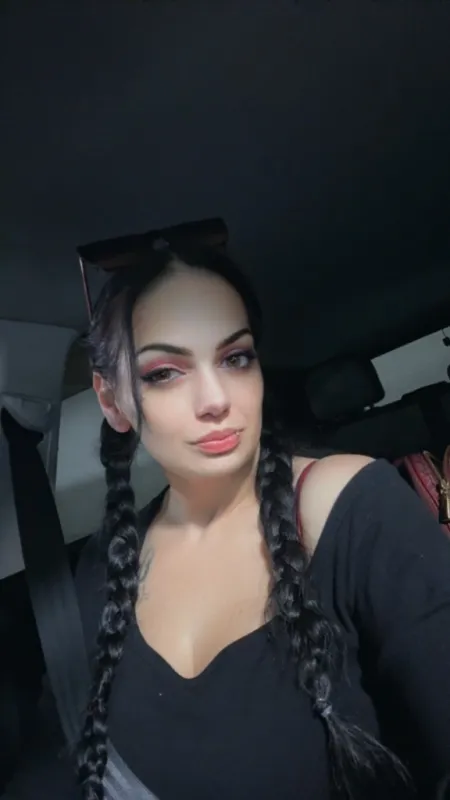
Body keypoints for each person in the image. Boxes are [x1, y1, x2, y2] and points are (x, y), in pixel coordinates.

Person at [74, 243, 450, 800]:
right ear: (111, 400)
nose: (215, 399)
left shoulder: (352, 507)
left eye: (235, 358)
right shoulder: (102, 567)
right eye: (165, 372)